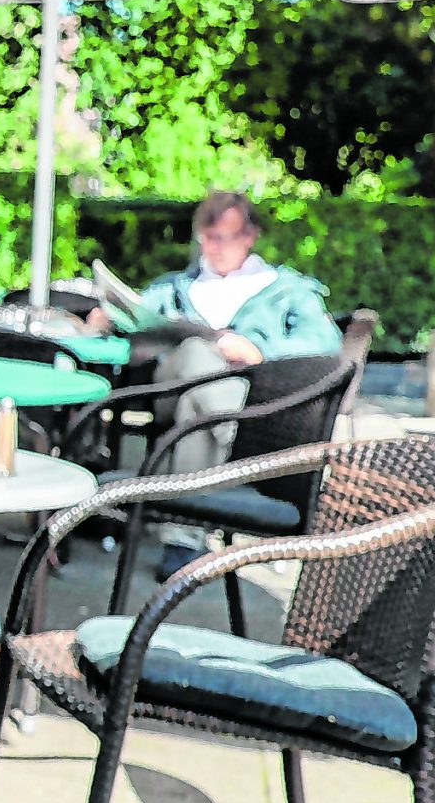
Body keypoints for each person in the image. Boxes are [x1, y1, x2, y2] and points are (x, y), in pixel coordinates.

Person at [131, 189, 344, 575]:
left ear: (248, 236)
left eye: (224, 238)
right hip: (169, 388)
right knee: (197, 352)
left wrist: (258, 350)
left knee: (197, 403)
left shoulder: (283, 288)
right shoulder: (176, 287)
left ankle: (183, 538)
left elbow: (326, 343)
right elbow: (134, 314)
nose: (213, 248)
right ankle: (228, 443)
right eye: (207, 238)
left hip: (245, 392)